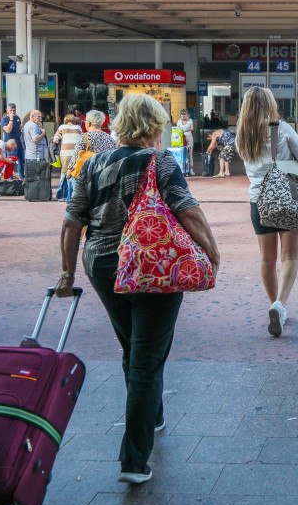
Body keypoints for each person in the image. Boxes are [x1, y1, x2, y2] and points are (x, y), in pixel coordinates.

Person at [60, 94, 218, 485]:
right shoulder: (159, 160)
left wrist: (66, 273)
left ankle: (154, 414)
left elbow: (71, 222)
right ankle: (133, 460)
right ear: (152, 126)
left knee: (132, 346)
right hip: (150, 265)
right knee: (147, 358)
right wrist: (212, 252)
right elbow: (187, 208)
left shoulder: (94, 162)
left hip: (102, 265)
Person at [236, 86, 298, 338]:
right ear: (270, 104)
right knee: (289, 257)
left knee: (266, 259)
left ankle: (274, 305)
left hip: (258, 201)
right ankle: (280, 305)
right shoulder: (281, 128)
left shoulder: (242, 134)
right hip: (288, 198)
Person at [53, 114, 84, 200]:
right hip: (76, 153)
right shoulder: (78, 128)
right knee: (76, 173)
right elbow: (82, 139)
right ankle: (74, 194)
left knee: (64, 172)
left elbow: (56, 138)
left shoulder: (62, 127)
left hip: (65, 153)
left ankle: (62, 194)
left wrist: (57, 139)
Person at [0, 103, 25, 178]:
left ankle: (21, 178)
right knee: (11, 162)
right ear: (7, 110)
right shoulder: (4, 119)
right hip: (10, 144)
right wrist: (11, 119)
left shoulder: (17, 117)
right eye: (10, 110)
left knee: (22, 161)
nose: (12, 112)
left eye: (14, 110)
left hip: (18, 142)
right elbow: (8, 130)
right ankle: (10, 179)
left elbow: (19, 128)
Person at [176, 110, 195, 176]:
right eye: (181, 116)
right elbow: (177, 129)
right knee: (182, 152)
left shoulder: (190, 120)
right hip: (181, 137)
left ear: (186, 116)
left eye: (184, 116)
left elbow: (192, 128)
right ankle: (182, 168)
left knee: (190, 152)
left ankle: (191, 168)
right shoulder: (179, 121)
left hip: (189, 136)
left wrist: (187, 129)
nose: (182, 117)